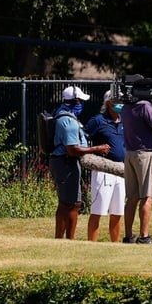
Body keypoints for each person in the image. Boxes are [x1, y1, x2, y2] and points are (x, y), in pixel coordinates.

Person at [49, 86, 111, 239]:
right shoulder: (68, 122)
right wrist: (97, 149)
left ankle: (61, 238)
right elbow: (73, 150)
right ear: (75, 101)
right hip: (66, 163)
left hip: (62, 162)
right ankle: (68, 239)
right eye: (81, 101)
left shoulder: (61, 114)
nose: (82, 104)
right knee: (72, 203)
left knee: (66, 202)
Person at [122, 85, 152, 244]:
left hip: (130, 154)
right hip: (145, 155)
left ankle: (128, 236)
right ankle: (144, 236)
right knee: (147, 196)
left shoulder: (126, 107)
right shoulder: (144, 106)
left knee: (132, 198)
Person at [83, 90, 126, 242]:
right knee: (98, 211)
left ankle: (115, 245)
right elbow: (83, 137)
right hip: (103, 170)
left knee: (117, 212)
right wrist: (95, 149)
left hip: (121, 171)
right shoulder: (98, 120)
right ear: (108, 103)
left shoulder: (124, 121)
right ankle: (92, 245)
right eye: (117, 101)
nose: (121, 103)